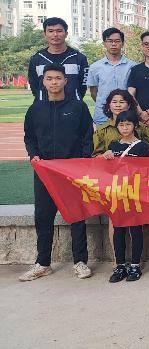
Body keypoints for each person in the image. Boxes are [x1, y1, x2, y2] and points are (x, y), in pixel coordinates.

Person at [19, 64, 94, 282]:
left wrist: (82, 161)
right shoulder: (36, 109)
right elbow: (29, 137)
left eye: (58, 78)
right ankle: (43, 263)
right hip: (45, 172)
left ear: (65, 81)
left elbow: (87, 136)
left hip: (71, 172)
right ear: (43, 82)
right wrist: (34, 155)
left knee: (76, 216)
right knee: (43, 217)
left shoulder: (78, 107)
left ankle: (80, 262)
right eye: (49, 78)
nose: (54, 82)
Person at [103, 110, 149, 283]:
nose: (124, 128)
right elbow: (107, 169)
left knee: (135, 229)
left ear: (135, 125)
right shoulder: (113, 145)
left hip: (135, 192)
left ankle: (135, 265)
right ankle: (120, 265)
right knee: (118, 230)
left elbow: (146, 170)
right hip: (117, 192)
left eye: (128, 124)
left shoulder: (142, 146)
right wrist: (105, 156)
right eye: (121, 125)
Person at [28, 17, 89, 102]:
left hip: (73, 106)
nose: (55, 34)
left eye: (59, 31)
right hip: (44, 106)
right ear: (45, 34)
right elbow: (34, 85)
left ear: (66, 34)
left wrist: (73, 102)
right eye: (51, 31)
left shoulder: (79, 58)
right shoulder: (36, 59)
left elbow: (83, 86)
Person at [87, 27, 137, 125]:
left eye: (117, 41)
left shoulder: (133, 66)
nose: (113, 44)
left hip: (126, 116)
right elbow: (93, 92)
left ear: (122, 43)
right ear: (104, 44)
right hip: (102, 116)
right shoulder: (95, 67)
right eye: (110, 41)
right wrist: (107, 105)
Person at [93, 89, 149, 157]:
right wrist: (104, 155)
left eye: (122, 102)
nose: (118, 105)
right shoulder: (102, 130)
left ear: (129, 105)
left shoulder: (142, 127)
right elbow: (96, 156)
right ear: (109, 105)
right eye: (114, 102)